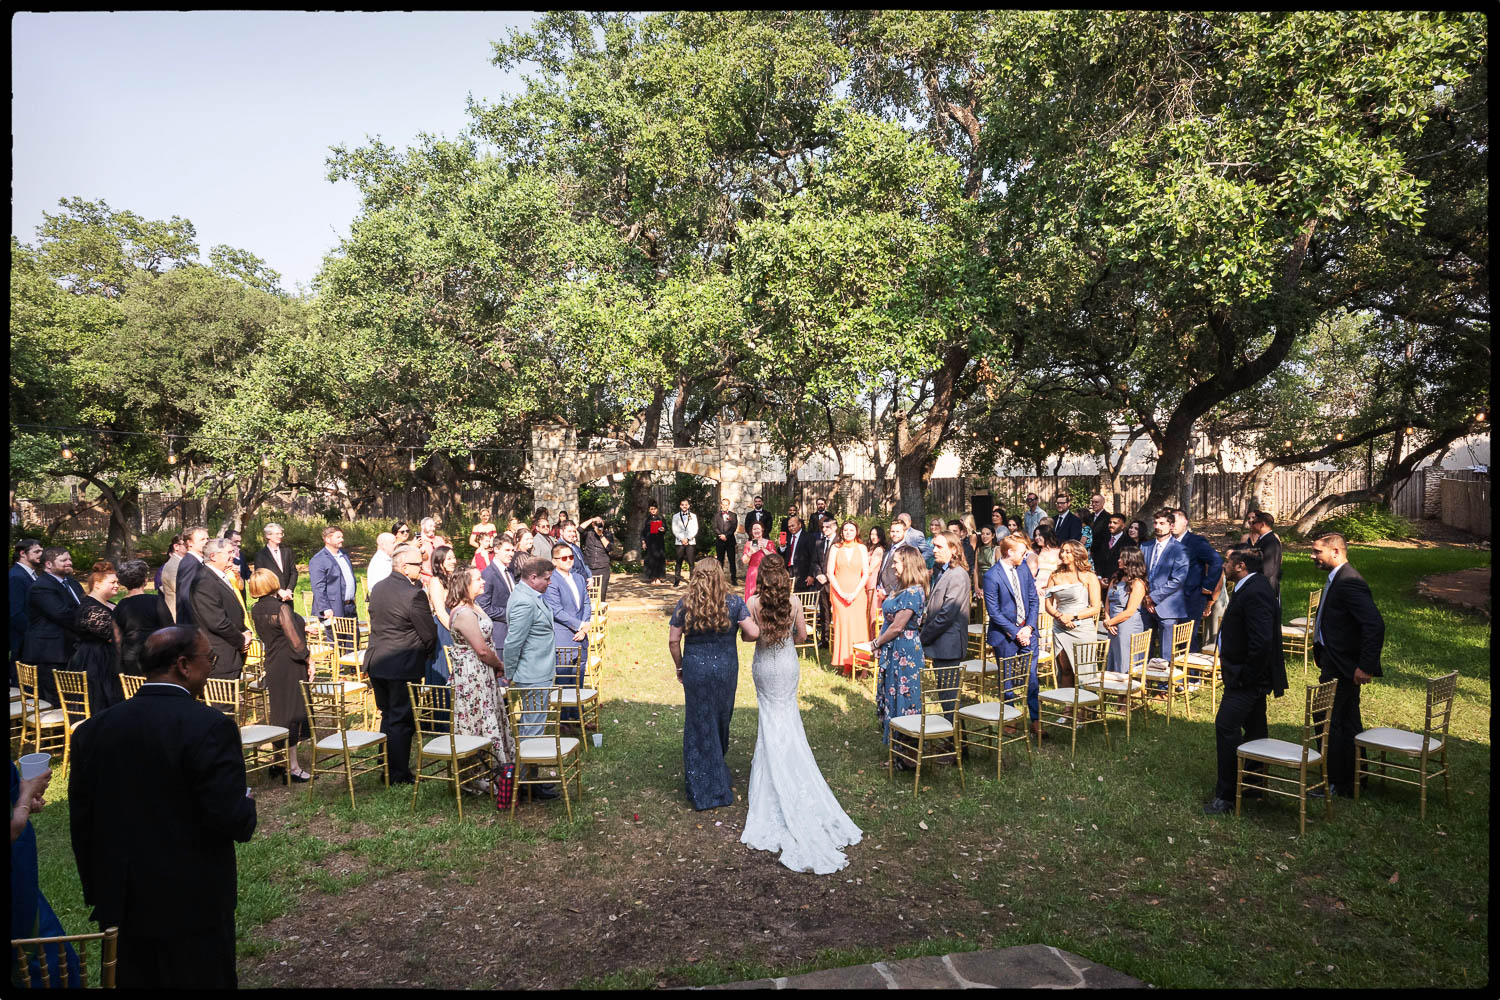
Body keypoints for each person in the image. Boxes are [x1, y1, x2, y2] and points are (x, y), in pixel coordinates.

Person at [68, 626, 258, 987]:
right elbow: (231, 818)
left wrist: (99, 889)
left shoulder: (94, 730)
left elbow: (82, 819)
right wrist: (246, 803)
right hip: (192, 899)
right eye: (209, 659)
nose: (212, 668)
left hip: (123, 896)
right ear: (183, 665)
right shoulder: (209, 727)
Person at [741, 555, 861, 873]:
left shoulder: (753, 602)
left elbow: (747, 636)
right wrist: (787, 642)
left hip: (765, 665)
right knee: (788, 718)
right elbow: (803, 636)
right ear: (783, 575)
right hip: (788, 663)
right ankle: (793, 766)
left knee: (770, 720)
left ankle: (773, 776)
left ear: (762, 578)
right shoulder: (793, 600)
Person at [1201, 546, 1287, 815]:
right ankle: (1252, 784)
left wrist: (1244, 676)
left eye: (1227, 561)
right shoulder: (1251, 586)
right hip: (1246, 676)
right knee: (1255, 728)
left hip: (1247, 679)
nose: (1224, 565)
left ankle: (1226, 796)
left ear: (1240, 566)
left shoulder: (1256, 591)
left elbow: (1261, 642)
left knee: (1226, 727)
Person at [668, 558, 758, 810]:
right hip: (725, 667)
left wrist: (680, 665)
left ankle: (702, 778)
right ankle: (716, 768)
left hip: (696, 667)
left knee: (698, 721)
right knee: (721, 716)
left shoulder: (685, 604)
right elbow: (753, 632)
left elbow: (674, 640)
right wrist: (738, 635)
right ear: (720, 575)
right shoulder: (734, 602)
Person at [1309, 533, 1386, 799]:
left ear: (1336, 552)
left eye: (1317, 551)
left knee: (1329, 718)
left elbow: (1374, 625)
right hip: (1333, 661)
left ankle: (1336, 781)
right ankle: (1354, 778)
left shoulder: (1349, 581)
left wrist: (1365, 666)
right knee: (1346, 719)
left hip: (1344, 665)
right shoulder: (1338, 579)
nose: (1313, 556)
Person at [366, 545, 436, 784]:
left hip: (377, 660)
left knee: (388, 715)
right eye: (419, 564)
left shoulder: (378, 587)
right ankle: (397, 773)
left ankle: (385, 762)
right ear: (404, 567)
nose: (422, 567)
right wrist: (424, 654)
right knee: (402, 719)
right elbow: (428, 633)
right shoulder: (413, 593)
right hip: (401, 663)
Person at [445, 565, 515, 794]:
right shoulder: (463, 613)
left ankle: (497, 768)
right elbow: (481, 650)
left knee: (489, 715)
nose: (483, 582)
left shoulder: (473, 606)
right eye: (477, 579)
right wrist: (500, 664)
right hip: (472, 674)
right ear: (464, 585)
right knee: (477, 720)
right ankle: (478, 774)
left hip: (482, 672)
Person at [13, 760, 82, 987]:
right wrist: (25, 798)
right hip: (14, 886)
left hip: (22, 875)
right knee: (46, 964)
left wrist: (22, 797)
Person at [502, 557, 561, 799]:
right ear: (533, 577)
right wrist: (510, 673)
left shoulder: (532, 596)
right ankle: (526, 785)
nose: (549, 583)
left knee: (534, 728)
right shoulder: (524, 602)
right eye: (546, 579)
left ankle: (531, 780)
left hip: (540, 672)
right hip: (532, 674)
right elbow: (513, 642)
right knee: (532, 730)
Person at [247, 568, 312, 782]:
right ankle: (292, 766)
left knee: (279, 711)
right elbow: (295, 643)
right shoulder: (281, 609)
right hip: (290, 664)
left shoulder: (256, 609)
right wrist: (309, 659)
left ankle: (277, 760)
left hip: (273, 662)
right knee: (292, 713)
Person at [985, 534, 1042, 742]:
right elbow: (994, 611)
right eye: (1022, 552)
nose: (1025, 555)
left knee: (1032, 676)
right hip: (1005, 635)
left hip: (1028, 632)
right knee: (1007, 677)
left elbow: (1033, 600)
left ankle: (1035, 718)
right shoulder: (992, 576)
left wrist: (1028, 627)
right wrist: (1016, 632)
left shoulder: (1024, 568)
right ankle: (1009, 716)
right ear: (1010, 552)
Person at [874, 547, 927, 758]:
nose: (893, 566)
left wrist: (875, 643)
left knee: (905, 699)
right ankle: (896, 751)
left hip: (906, 653)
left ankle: (908, 755)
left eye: (896, 562)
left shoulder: (914, 592)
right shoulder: (900, 587)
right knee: (892, 695)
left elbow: (897, 627)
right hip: (893, 648)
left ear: (908, 564)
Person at [22, 546, 85, 705]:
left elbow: (85, 604)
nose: (69, 562)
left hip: (71, 648)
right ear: (48, 565)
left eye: (69, 559)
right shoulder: (41, 587)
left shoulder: (72, 583)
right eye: (63, 560)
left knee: (73, 697)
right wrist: (89, 621)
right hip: (51, 652)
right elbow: (62, 614)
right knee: (57, 699)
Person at [920, 531, 970, 724]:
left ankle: (958, 748)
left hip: (949, 645)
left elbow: (946, 615)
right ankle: (955, 743)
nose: (934, 550)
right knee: (946, 698)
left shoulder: (958, 575)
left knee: (950, 700)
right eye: (934, 546)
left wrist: (923, 637)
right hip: (941, 644)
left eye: (939, 547)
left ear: (954, 549)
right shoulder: (944, 571)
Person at [63, 564, 124, 715]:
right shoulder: (90, 608)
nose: (117, 585)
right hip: (94, 661)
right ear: (97, 585)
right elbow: (113, 636)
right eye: (112, 582)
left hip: (108, 657)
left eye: (117, 582)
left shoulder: (108, 604)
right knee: (99, 702)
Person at [190, 537, 253, 680]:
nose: (234, 556)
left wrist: (246, 630)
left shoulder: (219, 575)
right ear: (213, 556)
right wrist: (241, 640)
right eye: (229, 552)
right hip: (219, 657)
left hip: (231, 654)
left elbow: (232, 610)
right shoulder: (204, 581)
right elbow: (217, 621)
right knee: (222, 702)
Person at [544, 541, 593, 723]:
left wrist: (586, 624)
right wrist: (579, 625)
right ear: (554, 561)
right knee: (564, 681)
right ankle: (563, 720)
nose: (569, 560)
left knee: (578, 679)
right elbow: (556, 611)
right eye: (564, 558)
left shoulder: (578, 578)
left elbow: (586, 602)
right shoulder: (552, 581)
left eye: (571, 556)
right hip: (564, 637)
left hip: (581, 637)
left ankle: (576, 716)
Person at [1042, 540, 1101, 689]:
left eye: (1068, 551)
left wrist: (1073, 616)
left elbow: (1095, 608)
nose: (1063, 554)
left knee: (1084, 670)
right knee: (1065, 669)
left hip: (1082, 628)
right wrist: (1059, 616)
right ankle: (1068, 706)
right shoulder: (1054, 576)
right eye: (1062, 550)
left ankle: (1085, 707)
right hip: (1061, 627)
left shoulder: (1089, 576)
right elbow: (1048, 604)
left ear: (1077, 554)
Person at [1171, 509, 1224, 651]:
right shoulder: (1166, 542)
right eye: (1170, 521)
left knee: (1186, 638)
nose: (1172, 525)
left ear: (1185, 522)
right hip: (1168, 597)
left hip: (1191, 597)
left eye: (1175, 521)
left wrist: (1207, 587)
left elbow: (1216, 562)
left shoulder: (1196, 542)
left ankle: (1190, 670)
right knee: (1169, 638)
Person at [1141, 509, 1191, 658]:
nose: (1157, 526)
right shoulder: (1145, 546)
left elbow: (1177, 580)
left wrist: (1153, 597)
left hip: (1168, 606)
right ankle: (1144, 680)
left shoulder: (1180, 549)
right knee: (1142, 649)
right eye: (1155, 523)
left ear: (1171, 526)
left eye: (1162, 523)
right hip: (1144, 604)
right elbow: (1139, 574)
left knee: (1166, 652)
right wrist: (1144, 597)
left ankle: (1164, 682)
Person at [111, 559, 171, 677]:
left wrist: (119, 667)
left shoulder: (119, 606)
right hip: (155, 656)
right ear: (145, 581)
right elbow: (169, 629)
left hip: (130, 658)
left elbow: (117, 639)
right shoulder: (155, 601)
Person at [827, 520, 872, 671]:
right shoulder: (835, 548)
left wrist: (854, 593)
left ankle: (862, 664)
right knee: (843, 627)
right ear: (841, 532)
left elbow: (865, 573)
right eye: (845, 530)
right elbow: (830, 573)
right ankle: (846, 664)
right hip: (839, 594)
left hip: (858, 594)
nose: (848, 532)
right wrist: (841, 593)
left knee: (858, 627)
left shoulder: (862, 548)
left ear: (856, 532)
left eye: (851, 530)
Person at [308, 525, 358, 650]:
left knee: (353, 639)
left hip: (350, 606)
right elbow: (318, 587)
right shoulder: (319, 559)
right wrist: (325, 608)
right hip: (333, 608)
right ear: (327, 539)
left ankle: (353, 668)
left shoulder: (344, 555)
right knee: (337, 641)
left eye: (342, 536)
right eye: (338, 537)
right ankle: (337, 668)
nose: (342, 539)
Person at [1103, 547, 1150, 676]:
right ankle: (1114, 687)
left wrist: (1110, 622)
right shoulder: (1115, 579)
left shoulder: (1138, 583)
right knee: (1114, 655)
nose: (1118, 560)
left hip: (1127, 625)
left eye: (1122, 558)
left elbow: (1130, 611)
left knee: (1125, 657)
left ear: (1131, 561)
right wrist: (1107, 620)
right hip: (1112, 624)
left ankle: (1126, 689)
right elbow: (1107, 602)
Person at [423, 546, 459, 691]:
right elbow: (440, 611)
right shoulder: (436, 581)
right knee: (446, 666)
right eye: (449, 558)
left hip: (459, 623)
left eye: (454, 558)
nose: (453, 561)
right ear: (439, 561)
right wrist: (455, 631)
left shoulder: (455, 578)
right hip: (445, 629)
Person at [477, 535, 519, 652]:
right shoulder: (488, 574)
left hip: (514, 636)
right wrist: (510, 614)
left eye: (512, 550)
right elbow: (483, 607)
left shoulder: (510, 571)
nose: (511, 554)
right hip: (498, 637)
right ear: (496, 549)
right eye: (507, 550)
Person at [10, 538, 42, 683]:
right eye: (36, 551)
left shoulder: (30, 574)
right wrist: (33, 633)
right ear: (22, 553)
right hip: (23, 638)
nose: (41, 554)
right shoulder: (16, 576)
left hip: (31, 637)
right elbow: (15, 612)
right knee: (24, 682)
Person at [173, 526, 209, 625]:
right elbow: (186, 596)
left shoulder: (197, 561)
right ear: (190, 543)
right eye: (202, 539)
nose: (206, 542)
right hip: (194, 624)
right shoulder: (190, 563)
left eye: (207, 539)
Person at [253, 522, 298, 601]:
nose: (280, 536)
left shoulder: (287, 552)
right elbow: (261, 578)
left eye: (281, 534)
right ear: (268, 535)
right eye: (277, 534)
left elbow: (294, 572)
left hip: (287, 598)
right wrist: (278, 591)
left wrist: (289, 590)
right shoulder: (260, 555)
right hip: (270, 599)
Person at [814, 516, 840, 644]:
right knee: (824, 611)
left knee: (837, 612)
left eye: (827, 527)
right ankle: (825, 640)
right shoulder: (819, 542)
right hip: (821, 583)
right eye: (823, 527)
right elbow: (815, 562)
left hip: (835, 582)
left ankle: (837, 639)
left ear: (834, 527)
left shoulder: (840, 542)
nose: (824, 529)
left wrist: (828, 577)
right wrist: (818, 574)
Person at [1249, 511, 1284, 600]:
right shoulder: (1263, 539)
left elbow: (1268, 568)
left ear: (1262, 524)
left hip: (1266, 588)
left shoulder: (1271, 541)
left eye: (1254, 522)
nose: (1251, 524)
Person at [579, 516, 615, 601]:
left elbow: (609, 548)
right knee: (588, 593)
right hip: (589, 567)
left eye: (600, 522)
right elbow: (579, 529)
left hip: (603, 567)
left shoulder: (607, 534)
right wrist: (592, 519)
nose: (598, 524)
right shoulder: (588, 533)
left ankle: (600, 612)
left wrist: (601, 535)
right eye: (596, 523)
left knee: (601, 594)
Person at [781, 514, 818, 594]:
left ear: (799, 525)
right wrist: (782, 547)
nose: (791, 528)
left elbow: (813, 557)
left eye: (793, 525)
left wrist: (811, 575)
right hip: (788, 571)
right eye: (789, 526)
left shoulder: (809, 537)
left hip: (803, 573)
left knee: (801, 599)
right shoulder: (787, 538)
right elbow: (781, 555)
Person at [864, 524, 888, 636]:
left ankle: (873, 636)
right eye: (872, 534)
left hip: (872, 581)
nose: (874, 537)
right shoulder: (870, 548)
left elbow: (871, 568)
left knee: (873, 610)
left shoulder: (879, 549)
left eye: (876, 535)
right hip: (867, 581)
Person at [670, 498, 699, 586]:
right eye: (682, 505)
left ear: (688, 506)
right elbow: (674, 529)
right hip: (680, 542)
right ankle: (677, 580)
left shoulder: (693, 516)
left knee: (691, 562)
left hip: (690, 542)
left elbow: (695, 528)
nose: (684, 506)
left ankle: (692, 580)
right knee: (679, 561)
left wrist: (688, 539)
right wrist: (682, 539)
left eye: (686, 504)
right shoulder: (675, 516)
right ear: (680, 506)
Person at [742, 520, 774, 598]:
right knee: (752, 595)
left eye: (758, 529)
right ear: (751, 532)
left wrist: (764, 549)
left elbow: (774, 559)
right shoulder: (749, 544)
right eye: (754, 529)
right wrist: (751, 552)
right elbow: (744, 561)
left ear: (762, 530)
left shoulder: (769, 543)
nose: (756, 531)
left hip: (766, 572)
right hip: (753, 573)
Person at [1094, 512, 1129, 582]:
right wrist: (1099, 577)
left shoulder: (1129, 542)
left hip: (1118, 582)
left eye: (1115, 523)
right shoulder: (1102, 539)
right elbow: (1097, 558)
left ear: (1122, 526)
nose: (1111, 525)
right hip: (1100, 580)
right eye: (1110, 522)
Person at [712, 497, 739, 585]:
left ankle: (734, 579)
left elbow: (734, 527)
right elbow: (714, 527)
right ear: (721, 505)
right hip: (720, 541)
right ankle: (719, 579)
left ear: (728, 505)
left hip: (730, 540)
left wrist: (726, 535)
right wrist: (720, 535)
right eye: (723, 504)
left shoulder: (733, 515)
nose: (724, 506)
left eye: (726, 505)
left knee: (732, 560)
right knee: (720, 561)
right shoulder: (716, 515)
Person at [639, 502, 668, 585]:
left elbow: (666, 528)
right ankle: (652, 578)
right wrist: (643, 542)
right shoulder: (646, 519)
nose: (653, 511)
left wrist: (663, 529)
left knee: (659, 559)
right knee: (651, 560)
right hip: (650, 543)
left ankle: (658, 577)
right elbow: (642, 532)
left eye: (654, 509)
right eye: (651, 509)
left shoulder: (661, 518)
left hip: (659, 543)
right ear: (649, 510)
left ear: (657, 509)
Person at [1030, 524, 1062, 590]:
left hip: (1051, 585)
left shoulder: (1059, 551)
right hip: (1035, 586)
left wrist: (1047, 585)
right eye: (1035, 535)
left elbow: (1060, 572)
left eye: (1039, 535)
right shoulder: (1034, 551)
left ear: (1047, 535)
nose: (1036, 538)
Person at [972, 523, 998, 596]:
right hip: (980, 585)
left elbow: (999, 570)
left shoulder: (997, 549)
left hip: (992, 585)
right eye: (982, 534)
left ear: (993, 536)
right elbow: (975, 570)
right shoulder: (978, 550)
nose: (984, 536)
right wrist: (976, 587)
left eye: (987, 534)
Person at [1086, 494, 1111, 569]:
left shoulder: (1108, 517)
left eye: (1096, 502)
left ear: (1103, 503)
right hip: (1088, 552)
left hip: (1100, 553)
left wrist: (1093, 550)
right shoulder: (1090, 516)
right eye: (1092, 502)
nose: (1093, 504)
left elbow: (1106, 537)